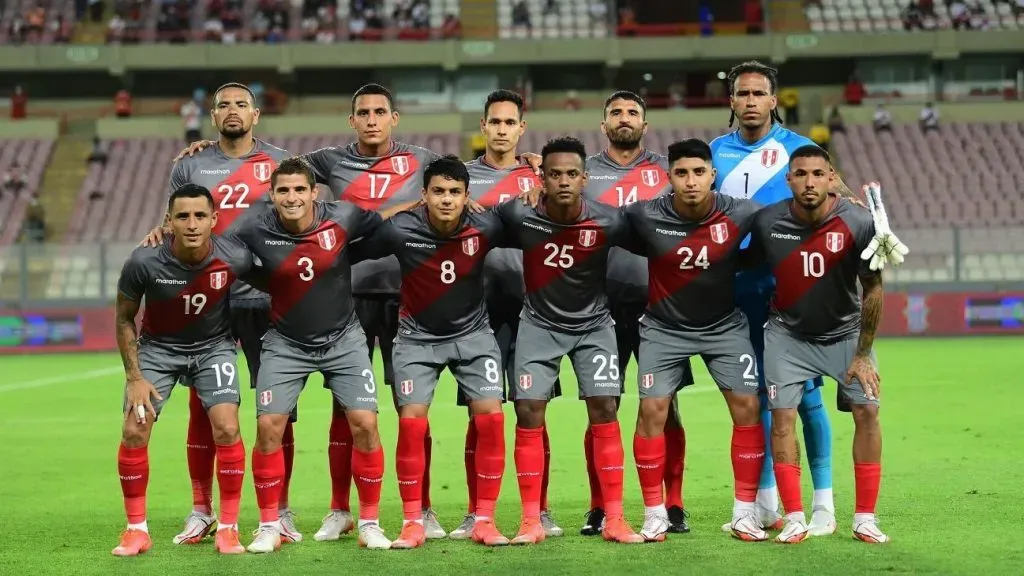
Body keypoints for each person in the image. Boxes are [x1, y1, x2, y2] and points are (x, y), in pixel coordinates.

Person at [175, 84, 542, 541]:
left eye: (380, 112)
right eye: (363, 112)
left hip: (412, 294)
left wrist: (532, 164)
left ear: (395, 118)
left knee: (410, 409)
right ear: (353, 120)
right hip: (344, 294)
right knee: (343, 407)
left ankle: (422, 509)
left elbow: (463, 178)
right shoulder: (327, 161)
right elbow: (274, 171)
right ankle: (339, 508)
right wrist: (212, 149)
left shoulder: (423, 159)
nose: (372, 119)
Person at [711, 60, 847, 535]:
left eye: (758, 94)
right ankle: (767, 500)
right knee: (760, 395)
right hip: (737, 287)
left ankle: (824, 503)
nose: (749, 102)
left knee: (807, 397)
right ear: (731, 102)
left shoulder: (799, 150)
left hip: (793, 284)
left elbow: (839, 198)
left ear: (774, 100)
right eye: (741, 94)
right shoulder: (714, 153)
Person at [229, 158, 392, 552]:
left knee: (365, 424)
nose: (292, 197)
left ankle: (368, 522)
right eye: (283, 190)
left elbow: (389, 230)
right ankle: (270, 525)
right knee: (269, 426)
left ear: (314, 192)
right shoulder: (253, 227)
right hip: (285, 342)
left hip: (344, 339)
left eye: (299, 189)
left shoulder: (344, 216)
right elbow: (222, 253)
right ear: (272, 195)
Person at [349, 156, 512, 548]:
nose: (446, 200)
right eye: (438, 191)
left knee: (491, 417)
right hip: (416, 339)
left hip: (474, 336)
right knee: (411, 422)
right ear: (423, 195)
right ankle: (413, 521)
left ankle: (484, 520)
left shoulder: (486, 224)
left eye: (455, 193)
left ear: (467, 196)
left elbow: (536, 229)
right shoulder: (402, 228)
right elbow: (349, 249)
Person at [165, 82, 301, 546]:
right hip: (208, 296)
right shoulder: (189, 164)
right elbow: (177, 227)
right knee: (202, 409)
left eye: (241, 104)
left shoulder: (279, 162)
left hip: (267, 296)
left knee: (277, 410)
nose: (232, 111)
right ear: (213, 114)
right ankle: (201, 509)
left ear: (256, 113)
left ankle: (278, 510)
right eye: (223, 105)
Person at [493, 136, 643, 546]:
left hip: (594, 326)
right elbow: (471, 225)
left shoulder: (609, 221)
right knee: (527, 410)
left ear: (585, 178)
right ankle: (530, 521)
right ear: (541, 178)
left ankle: (614, 518)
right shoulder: (518, 214)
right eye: (554, 174)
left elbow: (656, 239)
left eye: (571, 174)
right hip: (538, 325)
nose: (563, 181)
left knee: (604, 407)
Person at [622, 139, 766, 543]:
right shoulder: (645, 215)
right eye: (682, 173)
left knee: (747, 406)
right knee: (652, 409)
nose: (690, 181)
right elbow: (590, 219)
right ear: (670, 177)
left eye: (698, 172)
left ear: (712, 174)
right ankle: (654, 513)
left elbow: (785, 226)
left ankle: (744, 513)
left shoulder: (741, 211)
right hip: (663, 328)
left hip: (723, 327)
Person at [745, 145, 886, 544]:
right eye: (801, 174)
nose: (809, 182)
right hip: (787, 335)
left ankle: (865, 518)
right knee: (783, 416)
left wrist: (862, 355)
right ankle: (793, 517)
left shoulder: (858, 222)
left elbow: (873, 289)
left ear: (830, 178)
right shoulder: (767, 221)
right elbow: (744, 264)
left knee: (867, 413)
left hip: (844, 335)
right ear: (787, 180)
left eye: (817, 174)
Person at [112, 184, 255, 556]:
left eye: (199, 216)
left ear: (214, 220)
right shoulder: (143, 261)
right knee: (133, 430)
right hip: (158, 351)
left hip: (214, 349)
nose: (192, 224)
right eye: (183, 216)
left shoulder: (235, 257)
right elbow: (125, 319)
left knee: (226, 426)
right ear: (169, 221)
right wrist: (135, 377)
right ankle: (136, 530)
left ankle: (228, 528)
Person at [580, 90, 693, 535]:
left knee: (666, 406)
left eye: (632, 113)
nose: (624, 119)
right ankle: (599, 505)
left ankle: (674, 502)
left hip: (660, 307)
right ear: (603, 123)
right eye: (616, 113)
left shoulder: (670, 171)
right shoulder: (583, 172)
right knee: (602, 406)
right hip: (599, 307)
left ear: (645, 126)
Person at [456, 89, 562, 539]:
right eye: (494, 122)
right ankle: (475, 512)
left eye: (509, 123)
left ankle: (539, 509)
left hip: (533, 309)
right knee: (481, 414)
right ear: (483, 127)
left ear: (522, 128)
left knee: (533, 411)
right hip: (477, 310)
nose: (501, 130)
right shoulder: (459, 177)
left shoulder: (541, 176)